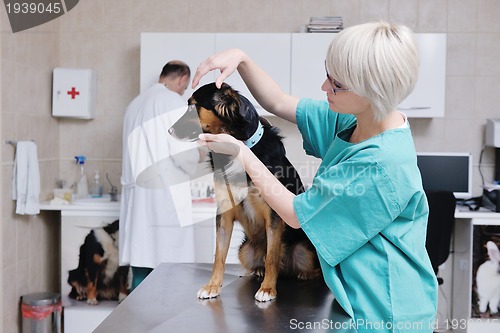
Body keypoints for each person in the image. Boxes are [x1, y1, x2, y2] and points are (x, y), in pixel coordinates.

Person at [194, 21, 437, 332]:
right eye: (328, 74)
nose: (325, 88)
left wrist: (242, 154)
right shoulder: (356, 121)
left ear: (372, 89)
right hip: (354, 299)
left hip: (385, 311)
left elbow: (296, 215)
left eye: (337, 84)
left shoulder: (377, 164)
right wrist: (242, 59)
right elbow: (278, 101)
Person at [120, 61, 201, 290]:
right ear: (183, 79)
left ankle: (138, 322)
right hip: (165, 198)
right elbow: (184, 154)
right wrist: (200, 156)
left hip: (138, 201)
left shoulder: (134, 105)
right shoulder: (174, 102)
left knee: (142, 261)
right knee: (171, 269)